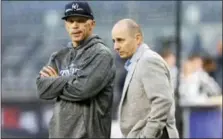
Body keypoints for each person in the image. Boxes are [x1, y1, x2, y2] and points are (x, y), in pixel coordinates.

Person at [36, 1, 116, 138]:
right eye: (71, 21)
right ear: (66, 25)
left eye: (81, 20)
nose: (75, 25)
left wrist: (56, 81)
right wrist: (72, 80)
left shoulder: (101, 54)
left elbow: (82, 90)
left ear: (92, 24)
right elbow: (42, 89)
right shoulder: (59, 56)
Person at [111, 19, 179, 139]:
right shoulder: (136, 62)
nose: (115, 46)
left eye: (120, 40)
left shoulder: (148, 60)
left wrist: (147, 135)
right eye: (114, 41)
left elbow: (163, 101)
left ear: (137, 39)